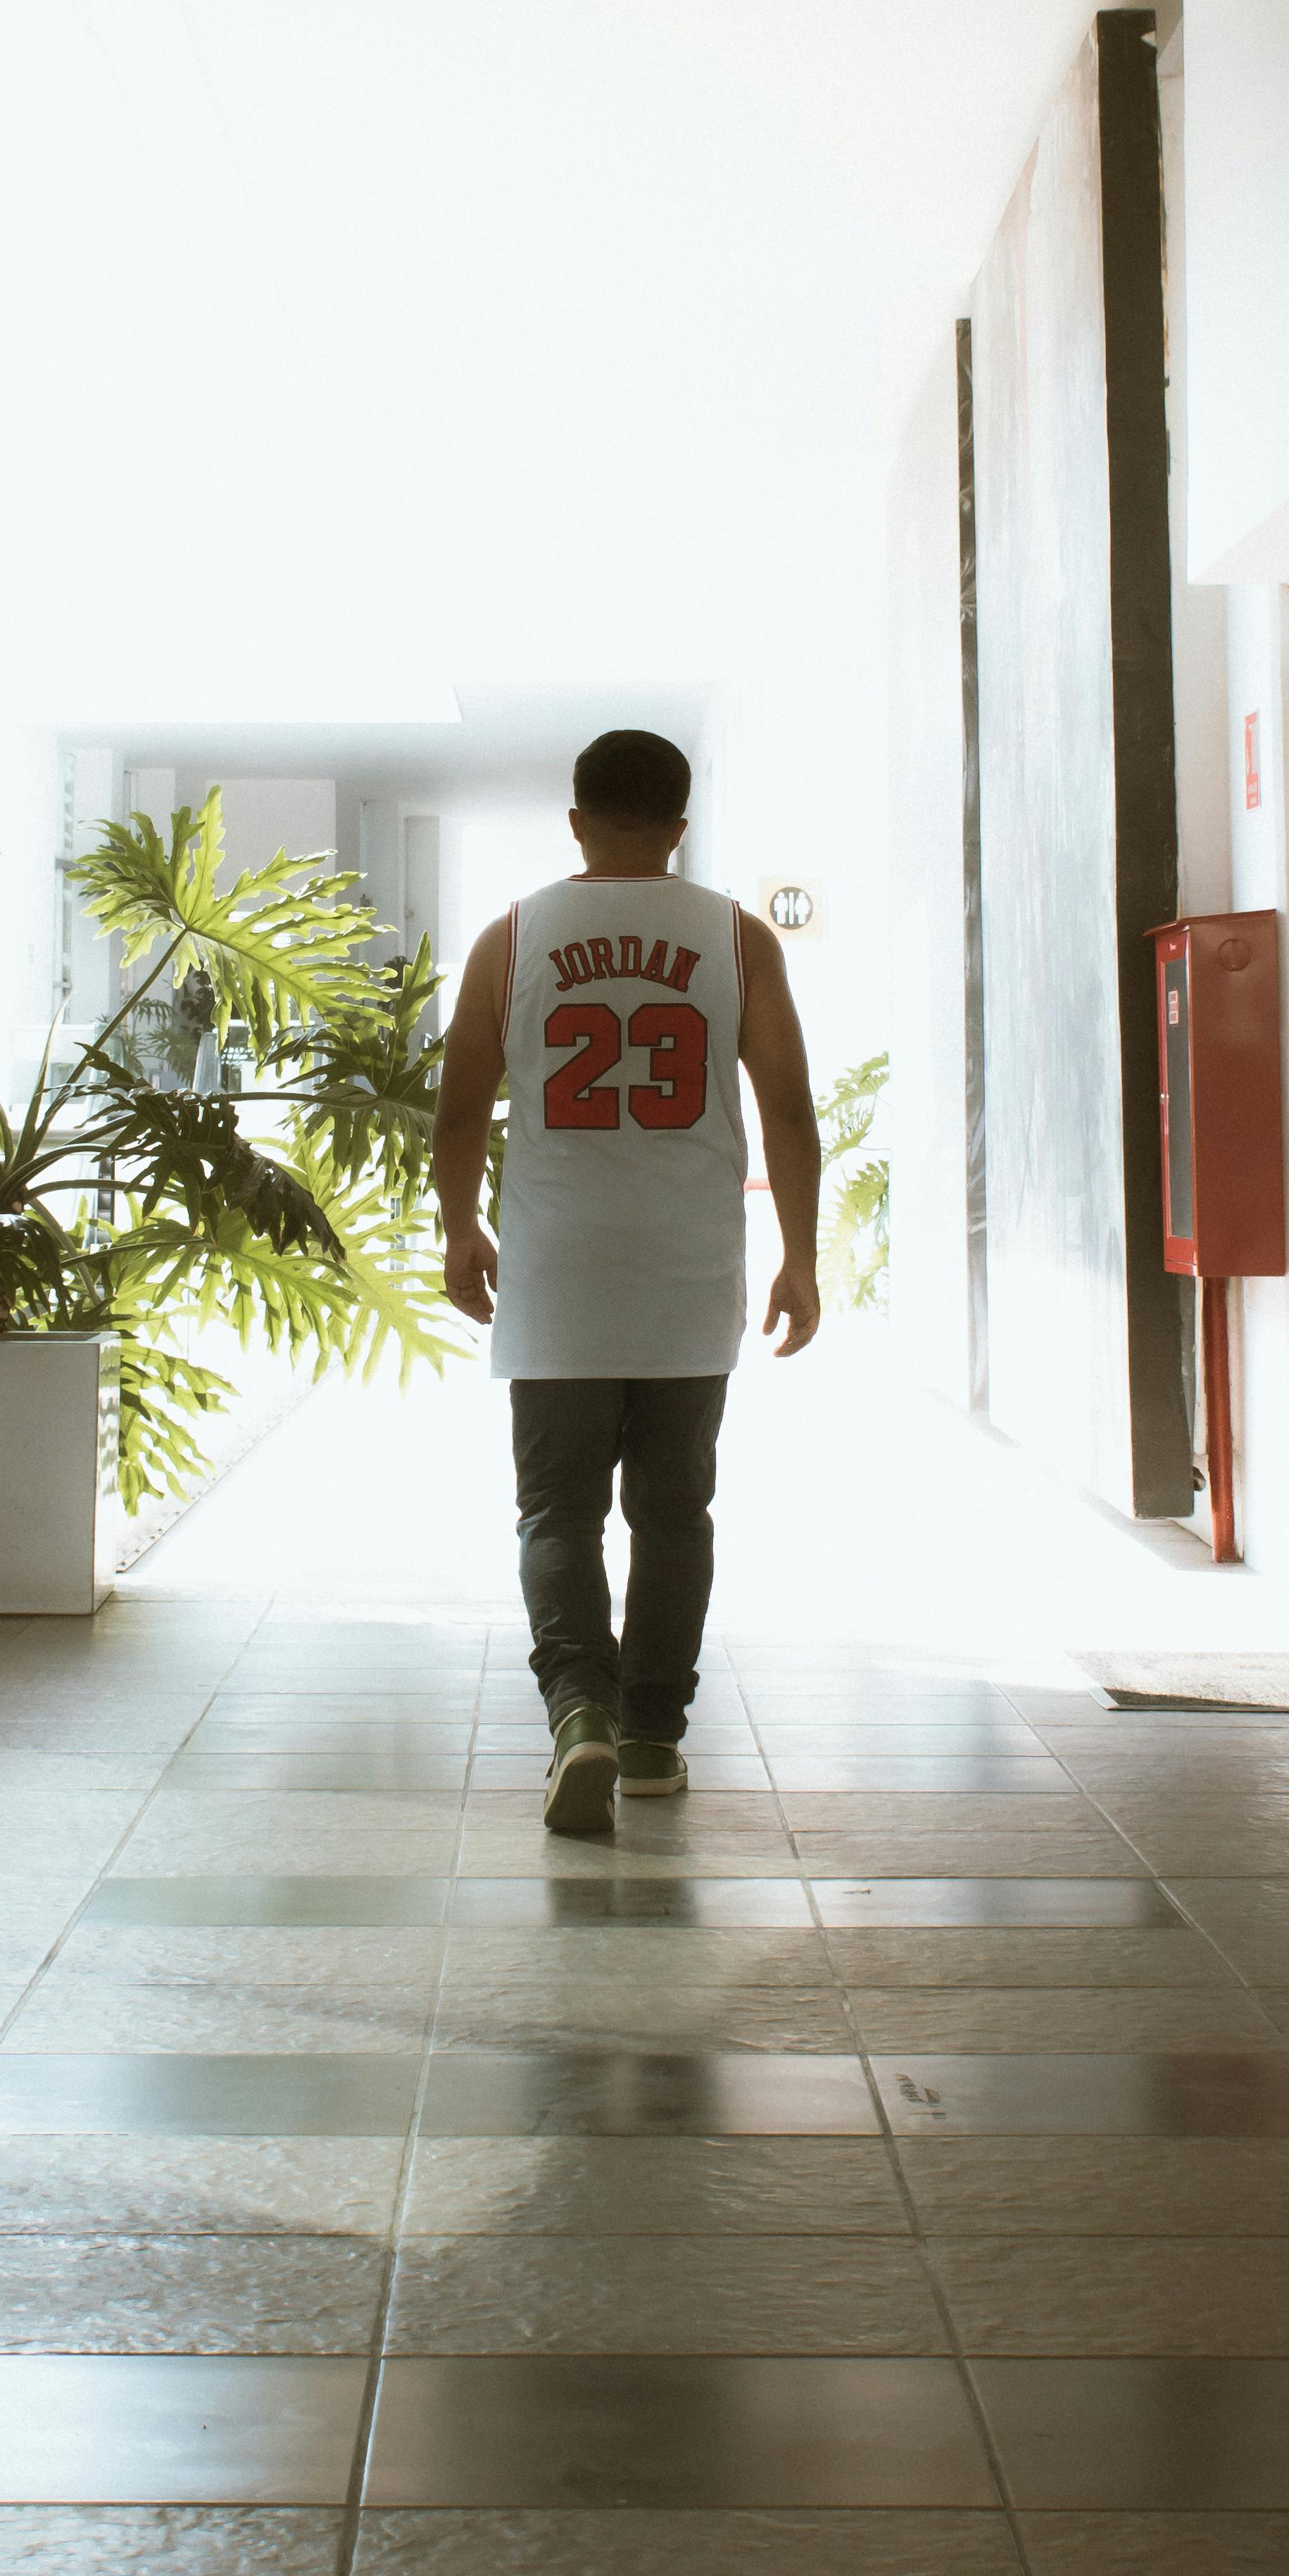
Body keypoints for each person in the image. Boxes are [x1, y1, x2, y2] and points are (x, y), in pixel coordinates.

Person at [432, 728, 823, 1836]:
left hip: (557, 1274)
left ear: (574, 820)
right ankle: (652, 1738)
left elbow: (461, 1109)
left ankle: (578, 1716)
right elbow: (787, 1108)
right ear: (680, 827)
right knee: (673, 1511)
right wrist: (801, 1254)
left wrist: (460, 1228)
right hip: (689, 1274)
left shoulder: (510, 941)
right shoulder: (736, 940)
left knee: (557, 1511)